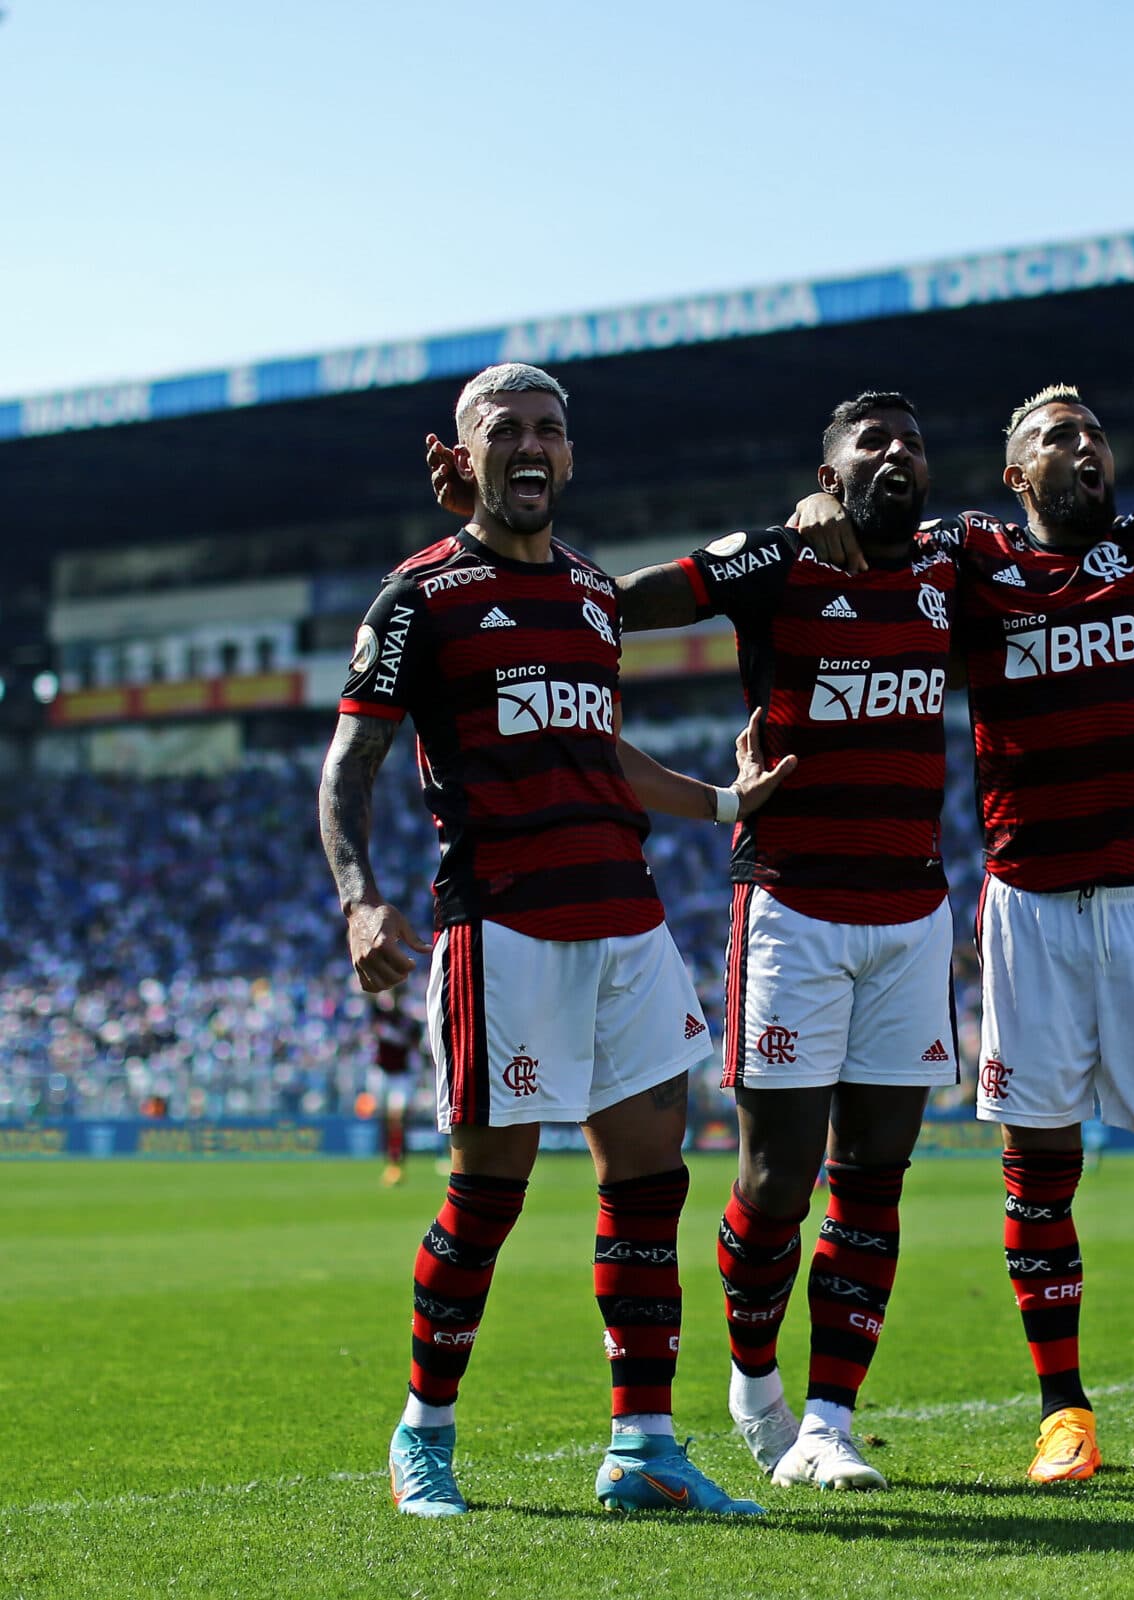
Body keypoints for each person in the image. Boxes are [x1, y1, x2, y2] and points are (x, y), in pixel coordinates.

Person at [788, 211, 1134, 1488]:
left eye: (1094, 433)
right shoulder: (971, 560)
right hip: (1027, 905)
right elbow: (862, 534)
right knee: (1039, 1164)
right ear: (1018, 472)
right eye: (1059, 437)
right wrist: (812, 504)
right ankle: (1064, 1410)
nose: (1086, 448)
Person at [431, 392, 959, 1492]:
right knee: (774, 1182)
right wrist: (487, 541)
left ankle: (828, 1420)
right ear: (831, 470)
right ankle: (755, 1377)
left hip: (915, 909)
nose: (898, 455)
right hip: (793, 907)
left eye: (913, 442)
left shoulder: (961, 564)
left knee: (873, 1179)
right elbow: (608, 607)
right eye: (873, 443)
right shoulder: (776, 560)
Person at [328, 362, 793, 1520]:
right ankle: (421, 1435)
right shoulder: (416, 597)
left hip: (627, 922)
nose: (529, 448)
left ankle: (642, 1448)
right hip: (504, 924)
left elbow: (605, 755)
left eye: (548, 430)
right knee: (489, 1191)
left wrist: (727, 804)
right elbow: (351, 763)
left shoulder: (591, 594)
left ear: (571, 457)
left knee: (652, 1183)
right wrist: (357, 895)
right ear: (469, 452)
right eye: (506, 431)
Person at [370, 988, 421, 1186]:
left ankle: (398, 1160)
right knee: (385, 1120)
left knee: (397, 1118)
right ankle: (390, 1160)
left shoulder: (409, 1023)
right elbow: (369, 997)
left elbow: (415, 1049)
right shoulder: (380, 1015)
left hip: (401, 1075)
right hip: (380, 1073)